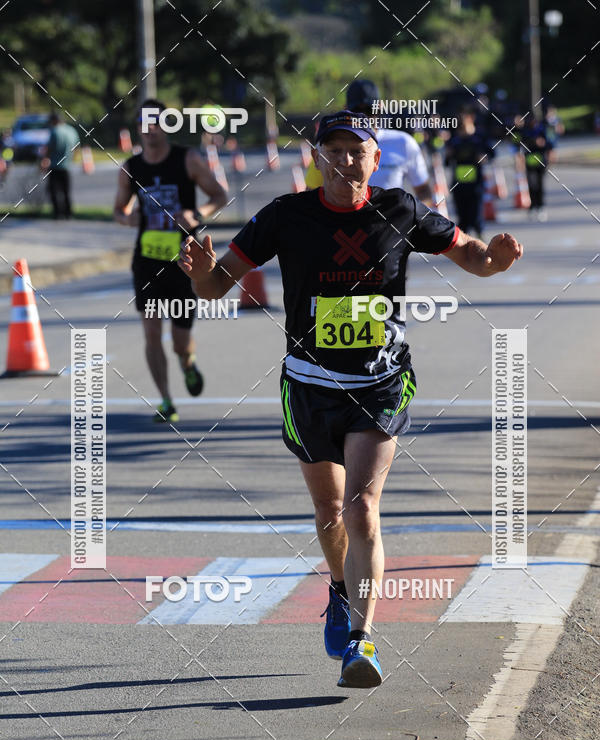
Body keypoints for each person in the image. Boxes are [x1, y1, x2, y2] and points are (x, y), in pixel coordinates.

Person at [179, 110, 523, 688]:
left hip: (381, 381)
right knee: (328, 512)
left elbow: (470, 255)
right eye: (333, 150)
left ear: (374, 158)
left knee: (362, 508)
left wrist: (497, 260)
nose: (345, 160)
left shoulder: (400, 209)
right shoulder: (284, 216)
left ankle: (362, 642)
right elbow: (217, 285)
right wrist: (200, 275)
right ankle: (340, 590)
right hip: (308, 385)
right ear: (317, 159)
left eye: (356, 150)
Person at [114, 99, 227, 423]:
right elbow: (118, 212)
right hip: (148, 261)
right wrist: (130, 218)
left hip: (185, 261)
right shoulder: (131, 167)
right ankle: (165, 400)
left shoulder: (187, 159)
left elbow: (218, 195)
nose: (150, 129)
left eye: (157, 122)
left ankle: (187, 363)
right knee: (151, 334)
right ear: (138, 128)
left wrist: (196, 213)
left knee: (180, 342)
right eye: (144, 123)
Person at [305, 80, 433, 205]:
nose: (364, 117)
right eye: (357, 112)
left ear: (376, 158)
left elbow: (423, 191)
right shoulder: (327, 146)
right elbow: (310, 198)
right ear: (346, 109)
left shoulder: (403, 143)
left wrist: (411, 221)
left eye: (370, 110)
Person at [445, 108, 495, 239]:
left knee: (476, 216)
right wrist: (448, 155)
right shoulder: (454, 140)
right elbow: (447, 162)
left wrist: (484, 157)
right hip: (459, 184)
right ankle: (465, 247)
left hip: (476, 184)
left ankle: (481, 240)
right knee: (462, 218)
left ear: (470, 119)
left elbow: (492, 153)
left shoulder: (479, 137)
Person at [512, 115, 554, 221]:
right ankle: (532, 206)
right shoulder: (524, 131)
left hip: (540, 162)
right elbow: (517, 144)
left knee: (539, 185)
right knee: (531, 185)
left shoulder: (542, 130)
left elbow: (549, 144)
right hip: (530, 163)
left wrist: (549, 157)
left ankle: (540, 206)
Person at [42, 113, 79, 219]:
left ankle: (57, 213)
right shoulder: (72, 130)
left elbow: (49, 149)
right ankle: (68, 213)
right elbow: (76, 147)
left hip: (54, 165)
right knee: (66, 191)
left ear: (54, 121)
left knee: (54, 191)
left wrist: (44, 160)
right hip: (67, 165)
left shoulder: (55, 131)